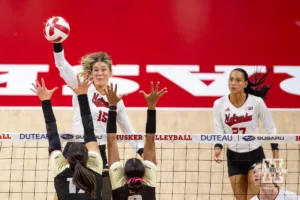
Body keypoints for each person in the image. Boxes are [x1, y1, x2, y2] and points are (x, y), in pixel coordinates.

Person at [51, 42, 144, 199]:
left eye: (103, 70)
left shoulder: (116, 100)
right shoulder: (82, 86)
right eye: (96, 70)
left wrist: (141, 150)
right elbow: (61, 64)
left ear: (110, 72)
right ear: (91, 73)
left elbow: (128, 130)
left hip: (99, 149)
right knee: (63, 191)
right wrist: (57, 42)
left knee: (104, 192)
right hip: (77, 148)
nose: (99, 73)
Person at [31, 77, 103, 200]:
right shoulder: (93, 167)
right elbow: (89, 131)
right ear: (87, 157)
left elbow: (53, 136)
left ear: (66, 159)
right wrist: (82, 96)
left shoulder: (92, 166)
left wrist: (45, 100)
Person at [213, 68, 279, 200]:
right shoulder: (219, 104)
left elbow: (270, 129)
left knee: (254, 199)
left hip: (255, 155)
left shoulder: (257, 102)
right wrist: (217, 149)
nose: (233, 83)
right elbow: (219, 131)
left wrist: (275, 157)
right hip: (233, 158)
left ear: (245, 84)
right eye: (231, 79)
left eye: (238, 80)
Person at [105, 82, 167, 199]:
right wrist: (152, 105)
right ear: (144, 173)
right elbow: (150, 141)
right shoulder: (148, 183)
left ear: (122, 173)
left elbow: (111, 141)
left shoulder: (120, 184)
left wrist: (112, 105)